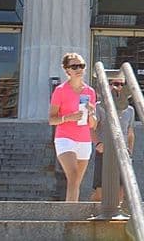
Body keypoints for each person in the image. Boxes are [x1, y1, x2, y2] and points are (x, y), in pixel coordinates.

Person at [49, 52, 97, 202]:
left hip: (84, 140)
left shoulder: (90, 92)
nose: (79, 69)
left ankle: (71, 212)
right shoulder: (60, 90)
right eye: (74, 66)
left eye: (81, 66)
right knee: (74, 176)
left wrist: (90, 113)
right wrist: (67, 117)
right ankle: (70, 213)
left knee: (76, 182)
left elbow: (93, 124)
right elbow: (51, 119)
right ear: (67, 70)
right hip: (65, 138)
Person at [90, 71, 136, 203]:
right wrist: (98, 144)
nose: (120, 87)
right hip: (104, 151)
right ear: (108, 85)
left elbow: (130, 132)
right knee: (100, 191)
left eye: (122, 84)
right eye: (116, 84)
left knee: (121, 190)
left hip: (122, 152)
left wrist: (130, 151)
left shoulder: (130, 110)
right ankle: (90, 211)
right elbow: (92, 128)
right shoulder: (99, 107)